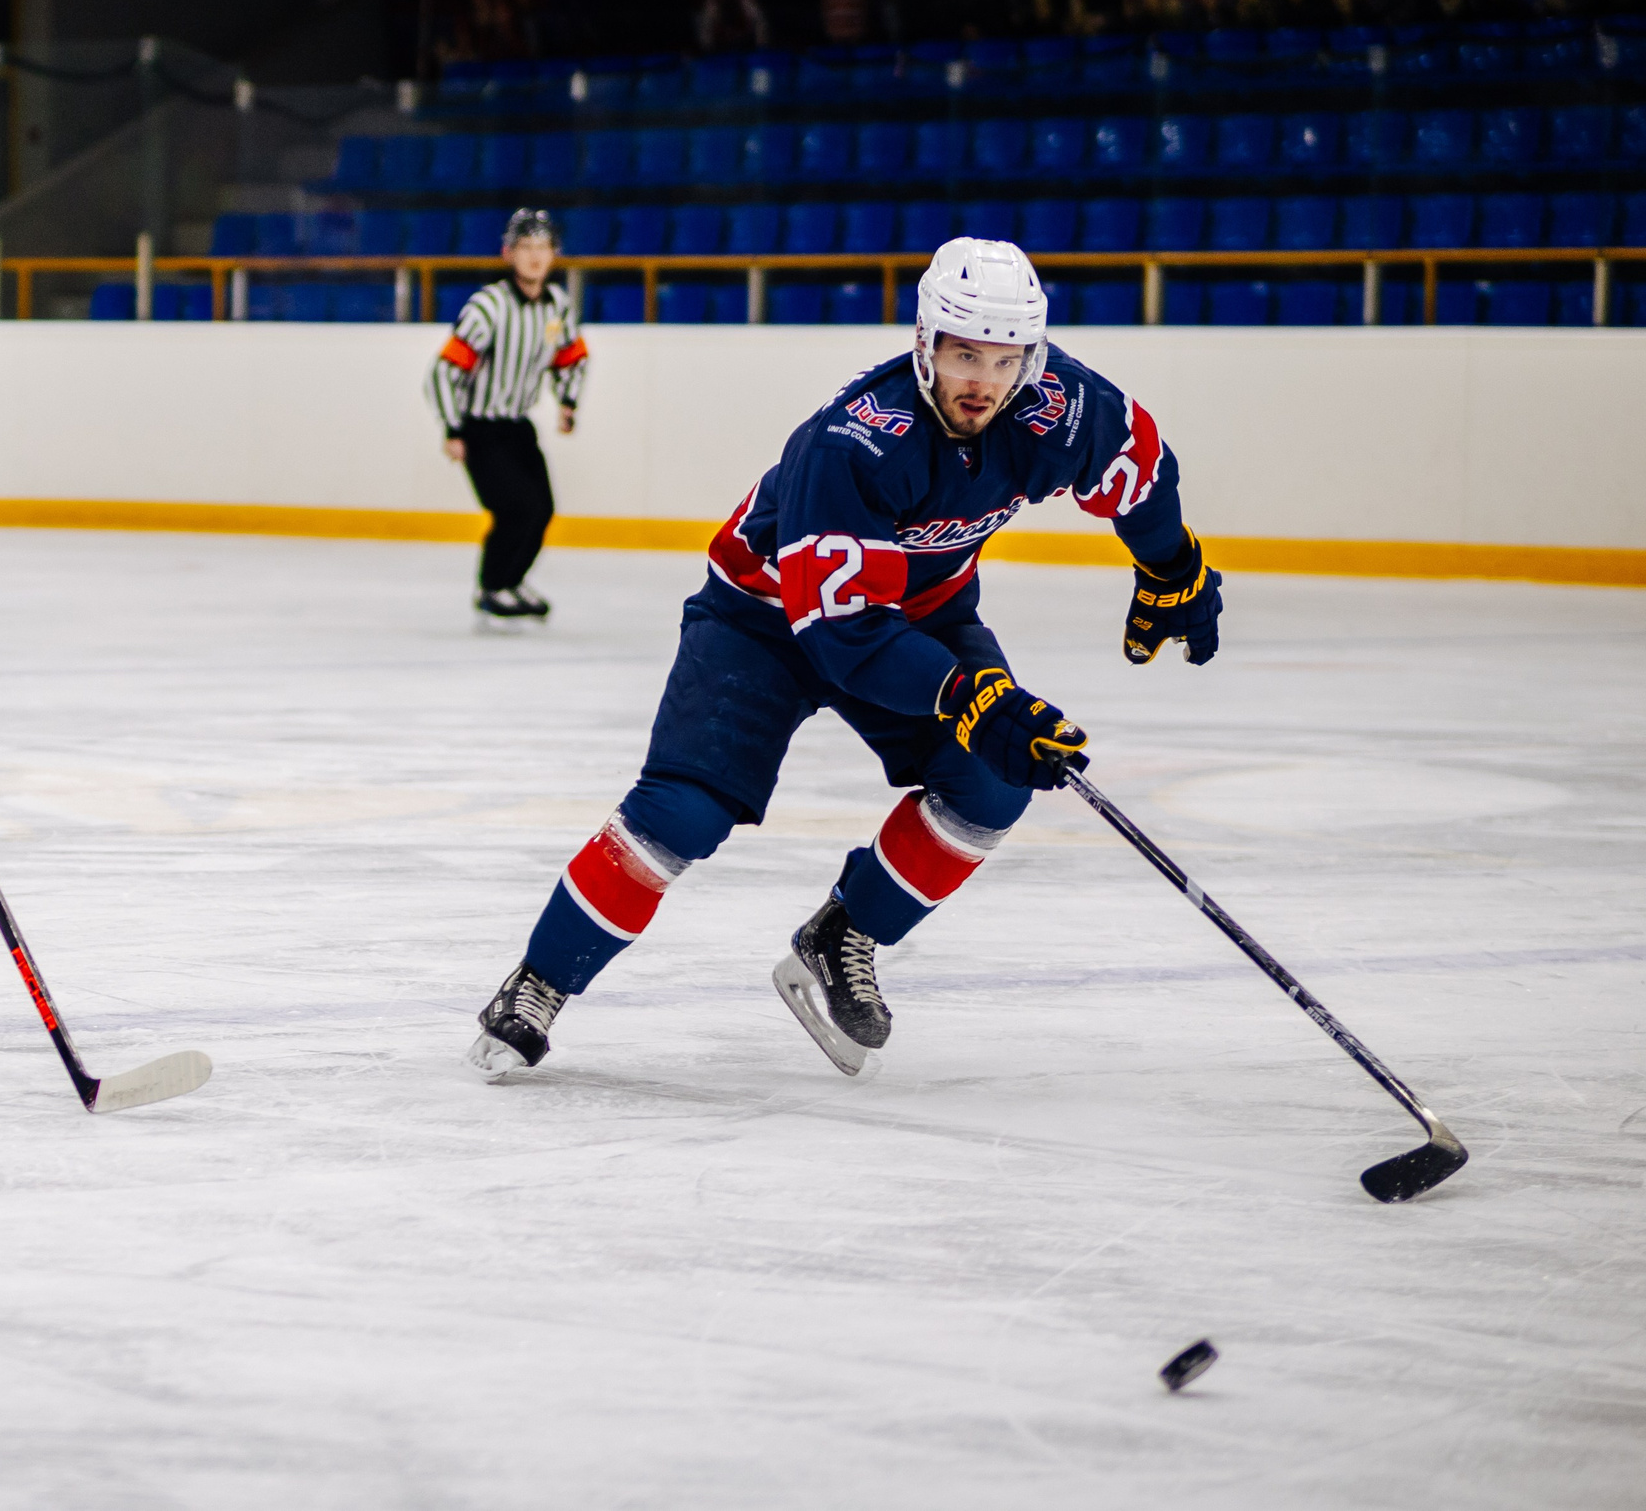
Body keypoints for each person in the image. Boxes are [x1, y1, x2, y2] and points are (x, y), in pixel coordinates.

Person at [466, 239, 1224, 1079]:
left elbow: (1139, 467)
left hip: (921, 612)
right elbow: (845, 635)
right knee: (682, 812)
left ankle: (842, 935)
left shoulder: (1061, 406)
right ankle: (539, 981)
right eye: (963, 354)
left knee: (992, 783)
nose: (983, 380)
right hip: (763, 619)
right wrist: (970, 698)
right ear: (925, 342)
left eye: (1004, 359)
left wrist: (1171, 566)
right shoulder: (853, 442)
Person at [427, 207, 588, 621]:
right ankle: (492, 587)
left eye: (543, 247)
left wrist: (568, 401)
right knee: (516, 508)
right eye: (525, 247)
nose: (535, 256)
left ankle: (511, 582)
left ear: (554, 254)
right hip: (480, 428)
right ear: (508, 253)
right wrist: (453, 428)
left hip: (518, 427)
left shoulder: (557, 306)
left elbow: (571, 357)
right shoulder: (489, 306)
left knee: (542, 509)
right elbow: (443, 372)